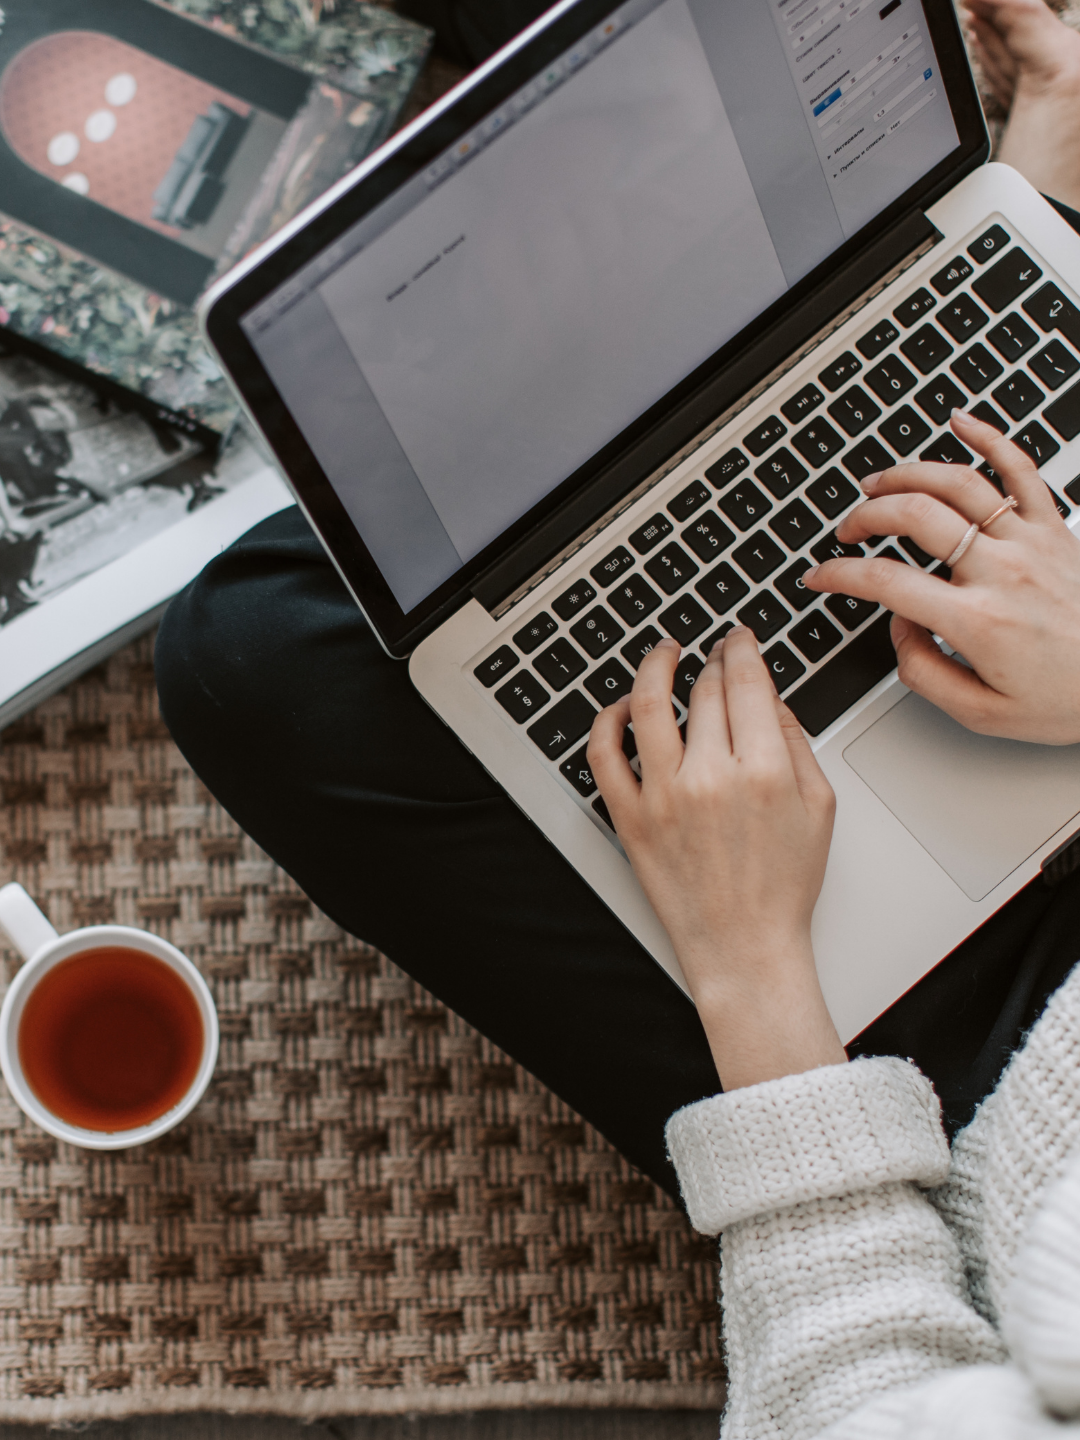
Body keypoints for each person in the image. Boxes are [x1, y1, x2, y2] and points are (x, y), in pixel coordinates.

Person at [154, 0, 1080, 1432]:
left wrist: (751, 966)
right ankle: (970, 229)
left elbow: (852, 1395)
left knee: (263, 653)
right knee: (978, 279)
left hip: (934, 1079)